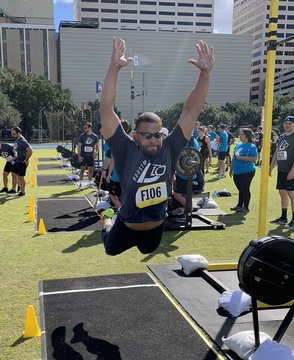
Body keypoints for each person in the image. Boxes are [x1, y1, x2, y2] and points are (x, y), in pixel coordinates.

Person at [99, 36, 214, 255]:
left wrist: (205, 73)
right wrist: (115, 67)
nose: (153, 139)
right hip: (126, 226)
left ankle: (134, 235)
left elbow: (191, 111)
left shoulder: (169, 147)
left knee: (146, 250)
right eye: (146, 135)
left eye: (157, 134)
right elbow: (106, 110)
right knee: (110, 250)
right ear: (134, 135)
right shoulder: (125, 148)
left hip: (156, 228)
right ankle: (107, 219)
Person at [269, 116, 294, 229]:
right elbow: (277, 152)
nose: (287, 125)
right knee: (282, 193)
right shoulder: (282, 137)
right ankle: (283, 217)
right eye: (286, 123)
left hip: (291, 170)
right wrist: (271, 166)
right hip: (282, 170)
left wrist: (293, 171)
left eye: (290, 123)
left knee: (292, 194)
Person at [229, 128, 257, 213]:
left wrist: (242, 157)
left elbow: (254, 158)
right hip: (237, 171)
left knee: (245, 189)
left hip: (247, 171)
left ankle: (246, 207)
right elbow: (234, 157)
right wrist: (231, 169)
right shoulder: (238, 145)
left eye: (242, 134)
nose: (240, 136)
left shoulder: (251, 146)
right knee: (240, 188)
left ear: (246, 136)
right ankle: (239, 205)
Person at [10, 126, 33, 197]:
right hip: (17, 160)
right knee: (13, 174)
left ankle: (22, 192)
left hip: (21, 162)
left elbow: (30, 150)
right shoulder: (17, 140)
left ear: (19, 133)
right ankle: (14, 190)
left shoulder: (23, 141)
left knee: (21, 177)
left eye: (14, 134)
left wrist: (26, 159)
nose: (13, 135)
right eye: (12, 134)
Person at [77, 122, 99, 190]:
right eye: (84, 128)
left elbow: (97, 146)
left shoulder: (95, 136)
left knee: (90, 170)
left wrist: (96, 153)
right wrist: (79, 155)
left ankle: (89, 183)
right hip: (84, 155)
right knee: (82, 169)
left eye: (86, 128)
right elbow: (79, 146)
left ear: (90, 128)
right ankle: (80, 183)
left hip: (90, 156)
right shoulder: (82, 136)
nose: (85, 129)